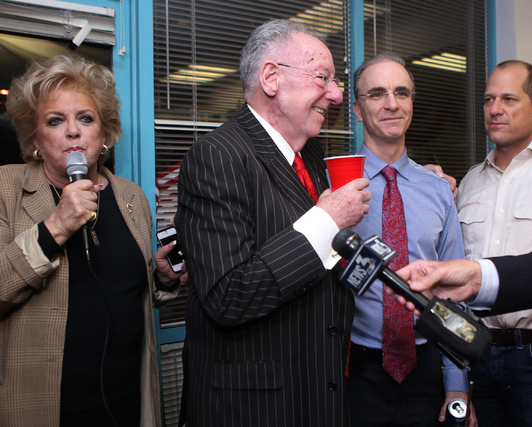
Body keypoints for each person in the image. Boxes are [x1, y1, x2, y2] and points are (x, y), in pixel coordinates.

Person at [175, 19, 371, 427]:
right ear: (271, 78)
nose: (336, 94)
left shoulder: (311, 156)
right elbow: (228, 296)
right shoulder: (217, 156)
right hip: (255, 408)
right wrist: (327, 220)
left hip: (319, 392)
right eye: (323, 77)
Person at [0, 54, 187, 426]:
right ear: (35, 138)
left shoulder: (130, 196)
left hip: (125, 401)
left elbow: (126, 289)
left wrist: (163, 279)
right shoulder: (6, 188)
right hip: (45, 407)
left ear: (104, 134)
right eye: (55, 121)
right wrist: (55, 227)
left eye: (86, 119)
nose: (73, 131)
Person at [347, 53, 475, 427]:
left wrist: (457, 386)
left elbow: (453, 296)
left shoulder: (438, 190)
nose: (392, 103)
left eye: (401, 93)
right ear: (357, 109)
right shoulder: (335, 187)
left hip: (428, 371)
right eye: (377, 94)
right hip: (354, 373)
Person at [456, 60, 532, 427]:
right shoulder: (471, 180)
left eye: (508, 99)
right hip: (479, 351)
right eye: (488, 99)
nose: (494, 109)